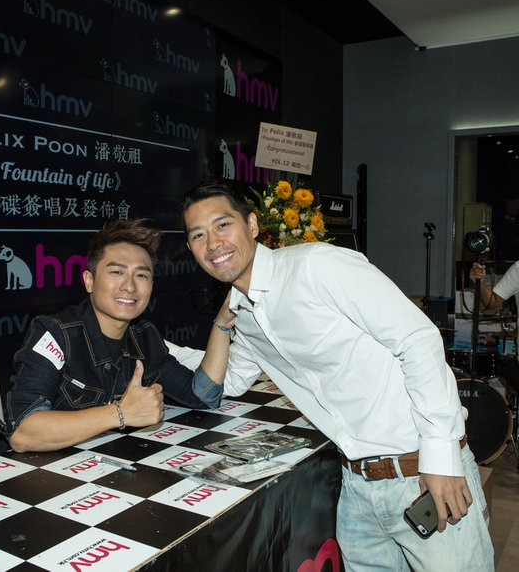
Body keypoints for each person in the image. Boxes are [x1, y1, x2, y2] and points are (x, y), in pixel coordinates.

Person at [181, 179, 493, 571]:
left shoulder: (316, 265)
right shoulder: (245, 315)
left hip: (421, 475)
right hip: (357, 489)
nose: (213, 243)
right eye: (198, 235)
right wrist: (163, 346)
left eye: (223, 225)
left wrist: (441, 457)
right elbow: (228, 380)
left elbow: (417, 338)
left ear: (253, 224)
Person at [3, 218, 233, 452]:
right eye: (116, 272)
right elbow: (23, 433)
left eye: (141, 276)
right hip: (34, 468)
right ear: (89, 281)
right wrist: (121, 413)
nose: (129, 287)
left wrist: (222, 324)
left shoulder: (144, 337)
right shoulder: (56, 333)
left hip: (97, 461)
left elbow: (202, 396)